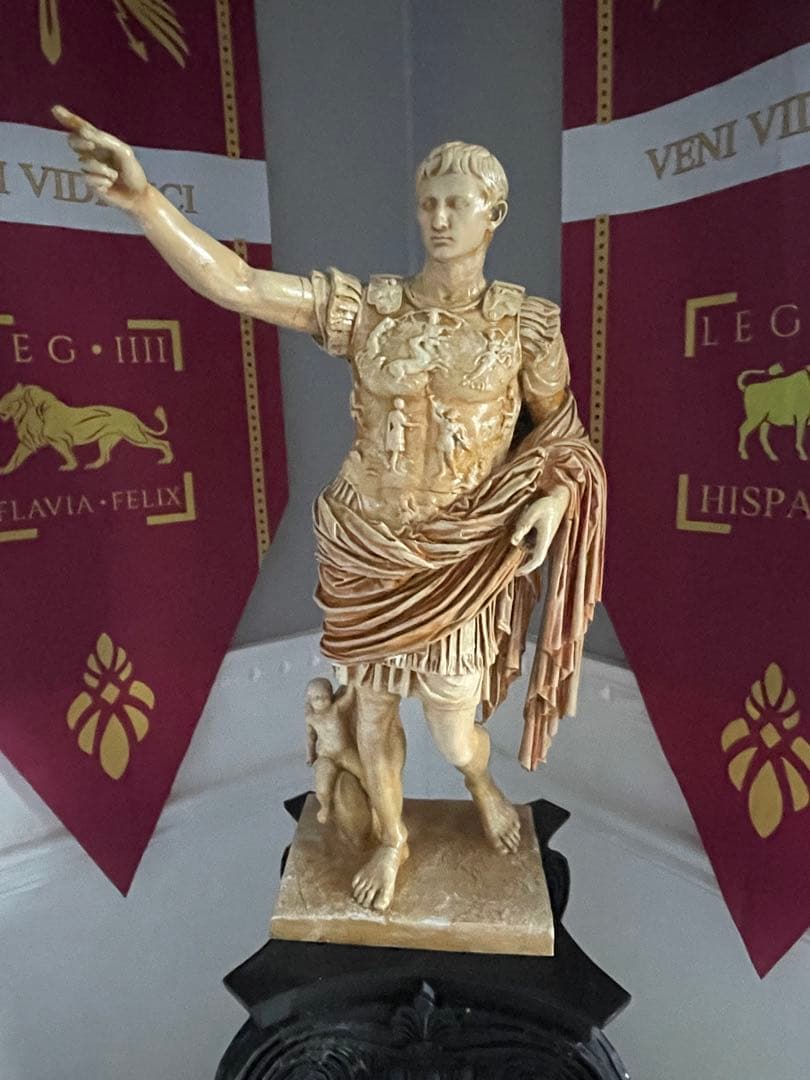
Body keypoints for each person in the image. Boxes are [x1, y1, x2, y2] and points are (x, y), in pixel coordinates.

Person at [55, 108, 605, 913]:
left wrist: (554, 501)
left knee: (453, 729)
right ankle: (391, 835)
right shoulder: (369, 309)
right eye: (428, 203)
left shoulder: (529, 326)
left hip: (461, 554)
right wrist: (146, 203)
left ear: (495, 213)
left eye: (457, 203)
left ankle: (482, 783)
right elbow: (241, 286)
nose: (439, 218)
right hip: (366, 541)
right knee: (371, 711)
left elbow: (564, 440)